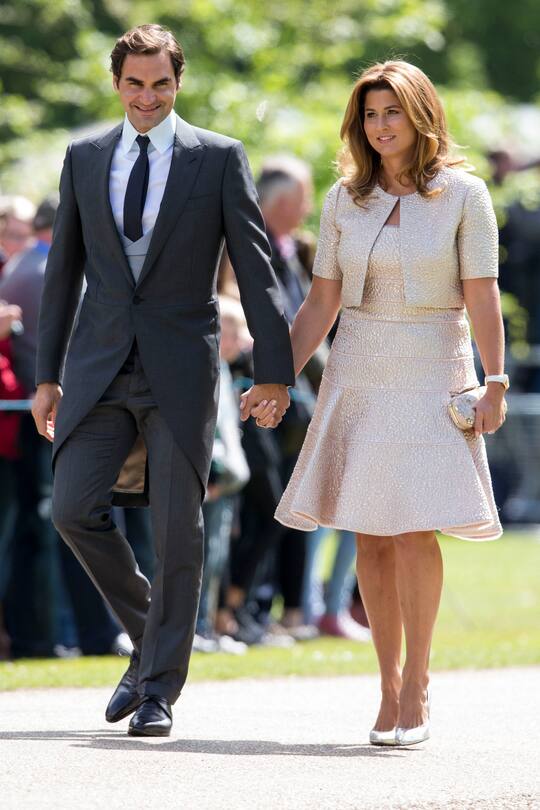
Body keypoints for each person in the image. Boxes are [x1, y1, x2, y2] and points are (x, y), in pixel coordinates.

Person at [32, 24, 294, 737]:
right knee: (72, 507)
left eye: (161, 84)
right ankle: (154, 639)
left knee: (179, 532)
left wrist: (274, 374)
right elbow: (63, 276)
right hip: (98, 366)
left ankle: (157, 693)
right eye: (135, 84)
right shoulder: (84, 157)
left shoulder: (217, 158)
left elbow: (258, 268)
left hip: (181, 370)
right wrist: (46, 377)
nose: (148, 98)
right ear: (117, 84)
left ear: (178, 83)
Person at [271, 60, 507, 747]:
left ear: (421, 115)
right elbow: (322, 300)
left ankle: (419, 686)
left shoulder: (466, 195)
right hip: (360, 370)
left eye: (392, 113)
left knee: (413, 530)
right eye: (370, 115)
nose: (379, 127)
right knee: (369, 532)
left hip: (435, 366)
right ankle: (386, 687)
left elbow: (483, 293)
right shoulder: (345, 198)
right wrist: (276, 376)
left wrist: (496, 381)